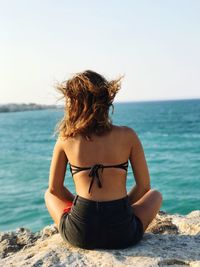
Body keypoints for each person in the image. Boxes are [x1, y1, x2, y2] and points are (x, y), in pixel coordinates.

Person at [44, 70, 163, 249]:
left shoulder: (66, 139)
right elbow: (144, 187)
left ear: (74, 104)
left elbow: (55, 189)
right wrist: (123, 208)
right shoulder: (128, 135)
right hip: (123, 234)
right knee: (155, 195)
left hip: (82, 234)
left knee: (47, 195)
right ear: (105, 100)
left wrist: (78, 206)